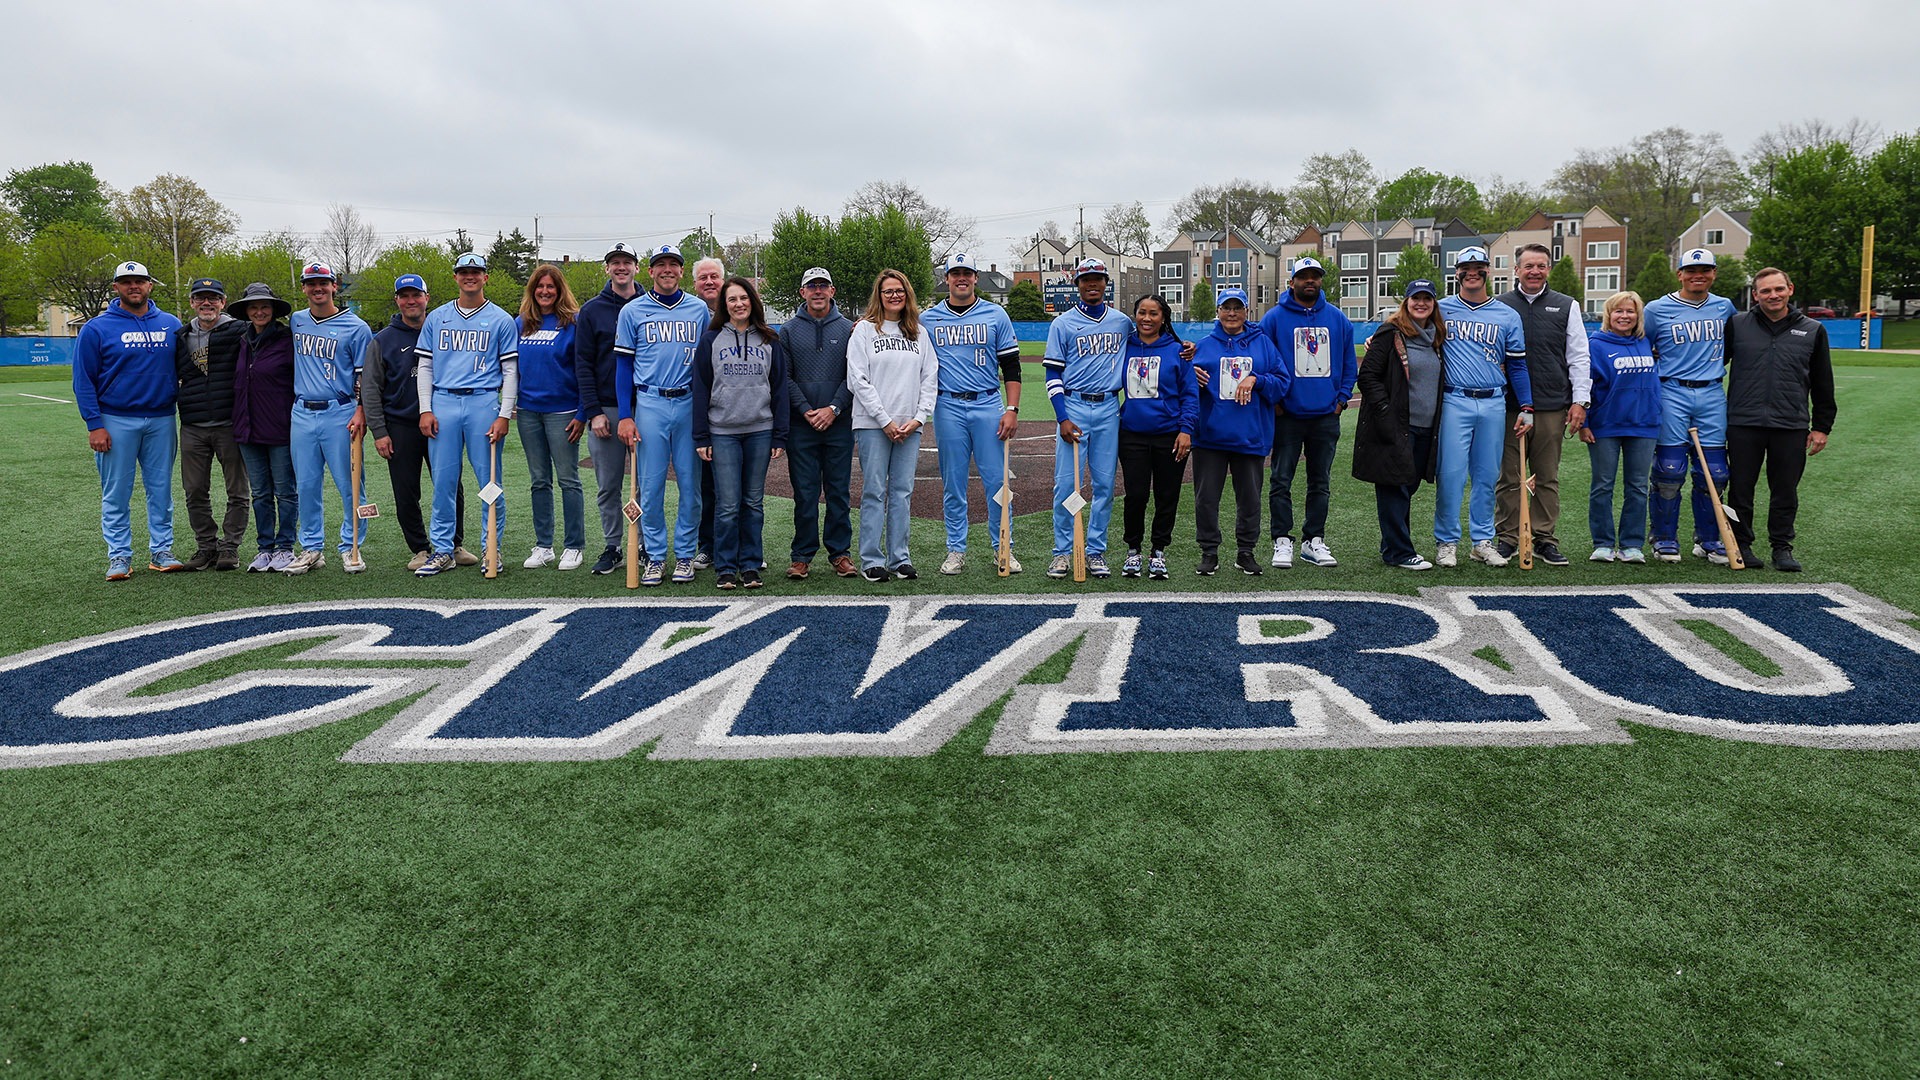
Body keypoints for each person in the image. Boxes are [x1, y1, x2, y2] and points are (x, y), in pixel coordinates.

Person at [73, 260, 185, 580]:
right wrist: (94, 424)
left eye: (140, 281)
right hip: (115, 419)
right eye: (126, 282)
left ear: (150, 285)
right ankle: (119, 556)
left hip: (162, 418)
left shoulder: (170, 323)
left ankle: (162, 550)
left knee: (161, 490)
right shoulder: (97, 327)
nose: (133, 286)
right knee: (116, 493)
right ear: (116, 288)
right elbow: (83, 380)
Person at [413, 253, 520, 577]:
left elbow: (511, 370)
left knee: (489, 482)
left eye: (476, 271)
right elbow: (426, 366)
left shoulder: (500, 319)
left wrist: (504, 413)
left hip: (483, 402)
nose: (470, 276)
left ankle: (491, 548)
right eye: (464, 272)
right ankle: (443, 549)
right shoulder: (438, 317)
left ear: (486, 277)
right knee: (443, 482)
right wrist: (426, 408)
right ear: (456, 277)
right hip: (444, 402)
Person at [1723, 267, 1837, 572]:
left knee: (1785, 489)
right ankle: (1742, 545)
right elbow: (1712, 365)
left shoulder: (1812, 329)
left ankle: (1782, 548)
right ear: (1755, 295)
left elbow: (1823, 381)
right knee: (1741, 488)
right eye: (1765, 291)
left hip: (1790, 423)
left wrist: (1822, 427)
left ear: (1790, 290)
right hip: (1743, 422)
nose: (1772, 295)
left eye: (1778, 289)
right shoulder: (1737, 324)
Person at [614, 244, 711, 586]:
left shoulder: (699, 310)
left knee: (690, 484)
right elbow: (623, 366)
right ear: (650, 271)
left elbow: (709, 364)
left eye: (673, 264)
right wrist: (625, 415)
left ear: (681, 271)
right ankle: (655, 555)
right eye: (661, 264)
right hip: (650, 402)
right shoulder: (633, 311)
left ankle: (684, 554)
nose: (667, 269)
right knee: (651, 486)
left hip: (688, 403)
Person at [922, 252, 1023, 576]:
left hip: (987, 404)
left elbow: (1011, 366)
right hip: (948, 405)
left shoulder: (996, 315)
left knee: (997, 481)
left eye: (967, 273)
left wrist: (1011, 409)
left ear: (976, 278)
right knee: (953, 483)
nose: (961, 278)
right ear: (947, 279)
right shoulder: (929, 319)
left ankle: (1002, 546)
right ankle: (956, 549)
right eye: (955, 274)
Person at [362, 273, 471, 571]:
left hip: (441, 422)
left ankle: (453, 544)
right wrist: (379, 432)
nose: (411, 301)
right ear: (397, 300)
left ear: (427, 298)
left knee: (450, 485)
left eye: (416, 295)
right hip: (400, 426)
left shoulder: (443, 330)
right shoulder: (383, 340)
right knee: (406, 490)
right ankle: (421, 548)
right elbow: (371, 389)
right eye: (404, 296)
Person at [1433, 246, 1533, 568]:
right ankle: (1447, 542)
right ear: (1457, 272)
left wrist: (1527, 406)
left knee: (1487, 475)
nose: (1471, 272)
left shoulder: (1506, 314)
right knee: (1451, 475)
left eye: (1478, 267)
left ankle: (1481, 541)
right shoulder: (1442, 308)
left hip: (1493, 401)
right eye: (1465, 267)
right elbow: (1411, 333)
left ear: (1488, 271)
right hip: (1454, 399)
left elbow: (1517, 366)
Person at [1494, 243, 1591, 566]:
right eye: (1528, 266)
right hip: (1508, 405)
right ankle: (1508, 537)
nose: (1535, 271)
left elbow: (1578, 357)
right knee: (1509, 476)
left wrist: (1580, 401)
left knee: (1546, 476)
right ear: (1516, 270)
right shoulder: (1500, 305)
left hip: (1551, 405)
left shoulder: (1566, 305)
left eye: (1541, 266)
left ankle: (1543, 537)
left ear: (1549, 269)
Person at [1643, 248, 1738, 564]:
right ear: (1680, 274)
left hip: (1711, 393)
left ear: (1714, 273)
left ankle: (1709, 539)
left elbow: (1731, 347)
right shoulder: (1657, 309)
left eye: (1705, 270)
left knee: (1715, 471)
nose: (1699, 275)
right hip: (1672, 390)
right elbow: (1644, 346)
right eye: (1691, 270)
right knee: (1669, 469)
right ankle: (1664, 538)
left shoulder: (1725, 307)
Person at [694, 276, 789, 589]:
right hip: (722, 432)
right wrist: (702, 436)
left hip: (760, 430)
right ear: (725, 305)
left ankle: (750, 565)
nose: (739, 304)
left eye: (744, 298)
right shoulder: (710, 340)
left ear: (753, 302)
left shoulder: (769, 339)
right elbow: (701, 389)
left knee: (752, 502)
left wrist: (779, 434)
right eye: (732, 299)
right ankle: (725, 566)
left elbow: (779, 390)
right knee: (727, 504)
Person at [1260, 255, 1355, 569]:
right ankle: (1282, 541)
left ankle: (1314, 540)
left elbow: (1348, 365)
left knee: (1320, 482)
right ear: (1292, 282)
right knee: (1281, 480)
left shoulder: (1338, 318)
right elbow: (1262, 361)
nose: (1310, 281)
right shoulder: (1273, 319)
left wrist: (1340, 401)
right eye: (1304, 277)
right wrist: (1275, 401)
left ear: (1320, 281)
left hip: (1325, 416)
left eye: (1315, 276)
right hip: (1288, 416)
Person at [846, 268, 938, 582]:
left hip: (910, 426)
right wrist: (884, 420)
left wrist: (918, 418)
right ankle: (872, 559)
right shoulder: (864, 331)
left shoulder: (919, 334)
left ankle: (900, 558)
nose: (894, 295)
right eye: (888, 291)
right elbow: (857, 380)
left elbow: (929, 379)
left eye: (899, 290)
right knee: (874, 491)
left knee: (902, 492)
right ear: (879, 296)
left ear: (907, 294)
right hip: (873, 425)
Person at [1044, 258, 1132, 579]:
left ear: (1106, 282)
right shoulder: (1062, 324)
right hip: (1075, 405)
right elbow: (1053, 373)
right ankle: (1062, 551)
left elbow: (1151, 345)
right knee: (1067, 486)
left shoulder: (1122, 322)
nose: (1091, 284)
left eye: (1097, 279)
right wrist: (1062, 417)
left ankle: (1095, 550)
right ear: (1077, 284)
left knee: (1105, 486)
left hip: (1109, 407)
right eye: (1085, 279)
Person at [1189, 287, 1287, 575]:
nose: (1231, 313)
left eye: (1237, 307)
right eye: (1226, 308)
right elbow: (1182, 390)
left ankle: (1246, 551)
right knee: (1206, 498)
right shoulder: (1203, 346)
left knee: (1250, 499)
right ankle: (1209, 551)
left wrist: (1256, 379)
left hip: (1250, 436)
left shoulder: (1263, 344)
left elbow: (1282, 383)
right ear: (1217, 312)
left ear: (1246, 311)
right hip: (1210, 437)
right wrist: (1189, 378)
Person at [1351, 279, 1445, 571]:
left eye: (1427, 299)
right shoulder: (1390, 333)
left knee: (1408, 487)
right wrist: (1384, 409)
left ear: (1433, 304)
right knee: (1394, 488)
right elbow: (1367, 376)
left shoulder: (1436, 337)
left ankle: (1392, 546)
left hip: (1425, 428)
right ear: (1405, 302)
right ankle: (1401, 552)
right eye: (1415, 298)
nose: (1421, 303)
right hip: (1396, 426)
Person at [285, 262, 372, 575]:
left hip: (341, 410)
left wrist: (361, 410)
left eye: (323, 283)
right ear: (304, 288)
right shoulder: (296, 320)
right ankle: (311, 548)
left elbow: (364, 376)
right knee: (306, 485)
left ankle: (352, 547)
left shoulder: (356, 327)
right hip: (302, 411)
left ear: (335, 286)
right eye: (311, 283)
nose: (317, 289)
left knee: (350, 484)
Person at [779, 267, 858, 580]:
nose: (817, 291)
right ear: (802, 292)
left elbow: (853, 376)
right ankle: (802, 556)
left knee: (838, 492)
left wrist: (834, 408)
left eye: (823, 286)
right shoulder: (788, 331)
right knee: (805, 493)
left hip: (838, 424)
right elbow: (784, 377)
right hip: (802, 425)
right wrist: (806, 409)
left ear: (832, 291)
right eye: (811, 286)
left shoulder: (851, 328)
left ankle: (840, 553)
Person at [574, 241, 643, 576]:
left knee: (646, 483)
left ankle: (645, 546)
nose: (621, 267)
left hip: (645, 407)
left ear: (636, 267)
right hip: (607, 409)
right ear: (607, 268)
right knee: (609, 485)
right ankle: (614, 545)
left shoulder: (651, 305)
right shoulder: (591, 311)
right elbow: (582, 364)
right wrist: (593, 410)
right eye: (615, 262)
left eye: (626, 262)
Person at [514, 263, 588, 571]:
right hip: (528, 412)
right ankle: (544, 545)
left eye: (551, 287)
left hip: (564, 412)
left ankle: (574, 545)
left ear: (559, 290)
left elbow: (585, 370)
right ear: (533, 290)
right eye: (540, 287)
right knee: (538, 480)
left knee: (568, 480)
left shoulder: (573, 323)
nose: (545, 291)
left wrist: (583, 413)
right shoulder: (521, 323)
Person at [173, 276, 250, 571]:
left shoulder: (239, 331)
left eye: (213, 298)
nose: (207, 303)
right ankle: (206, 546)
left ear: (223, 302)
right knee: (194, 490)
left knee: (238, 490)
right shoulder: (180, 337)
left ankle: (230, 547)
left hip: (229, 423)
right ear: (192, 302)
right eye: (200, 298)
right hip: (193, 424)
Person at [1116, 294, 1195, 580]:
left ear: (1164, 318)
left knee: (1167, 495)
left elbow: (1189, 394)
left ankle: (1158, 551)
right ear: (1134, 315)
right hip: (1132, 435)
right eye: (1141, 313)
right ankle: (1133, 551)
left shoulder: (1178, 351)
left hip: (1169, 436)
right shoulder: (1124, 347)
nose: (1146, 319)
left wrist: (1186, 430)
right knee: (1135, 495)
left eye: (1153, 314)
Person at [1579, 291, 1661, 564]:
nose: (1624, 316)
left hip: (1644, 424)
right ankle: (1602, 543)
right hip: (1605, 426)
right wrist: (1585, 423)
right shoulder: (1596, 344)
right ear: (1608, 315)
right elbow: (1585, 385)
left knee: (1637, 486)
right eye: (1618, 311)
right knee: (1602, 485)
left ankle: (1631, 544)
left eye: (1630, 311)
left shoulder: (1645, 342)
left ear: (1638, 316)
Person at [229, 282, 298, 572]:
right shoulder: (242, 340)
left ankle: (285, 547)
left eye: (264, 306)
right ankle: (265, 548)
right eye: (254, 307)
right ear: (247, 311)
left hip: (280, 428)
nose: (259, 311)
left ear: (273, 309)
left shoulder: (287, 339)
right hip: (247, 429)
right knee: (259, 492)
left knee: (285, 491)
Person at [690, 255, 726, 570]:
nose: (710, 282)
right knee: (706, 484)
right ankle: (707, 544)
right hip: (701, 409)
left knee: (740, 485)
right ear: (695, 284)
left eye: (714, 276)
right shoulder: (690, 314)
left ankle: (743, 545)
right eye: (703, 278)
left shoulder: (739, 312)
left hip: (736, 413)